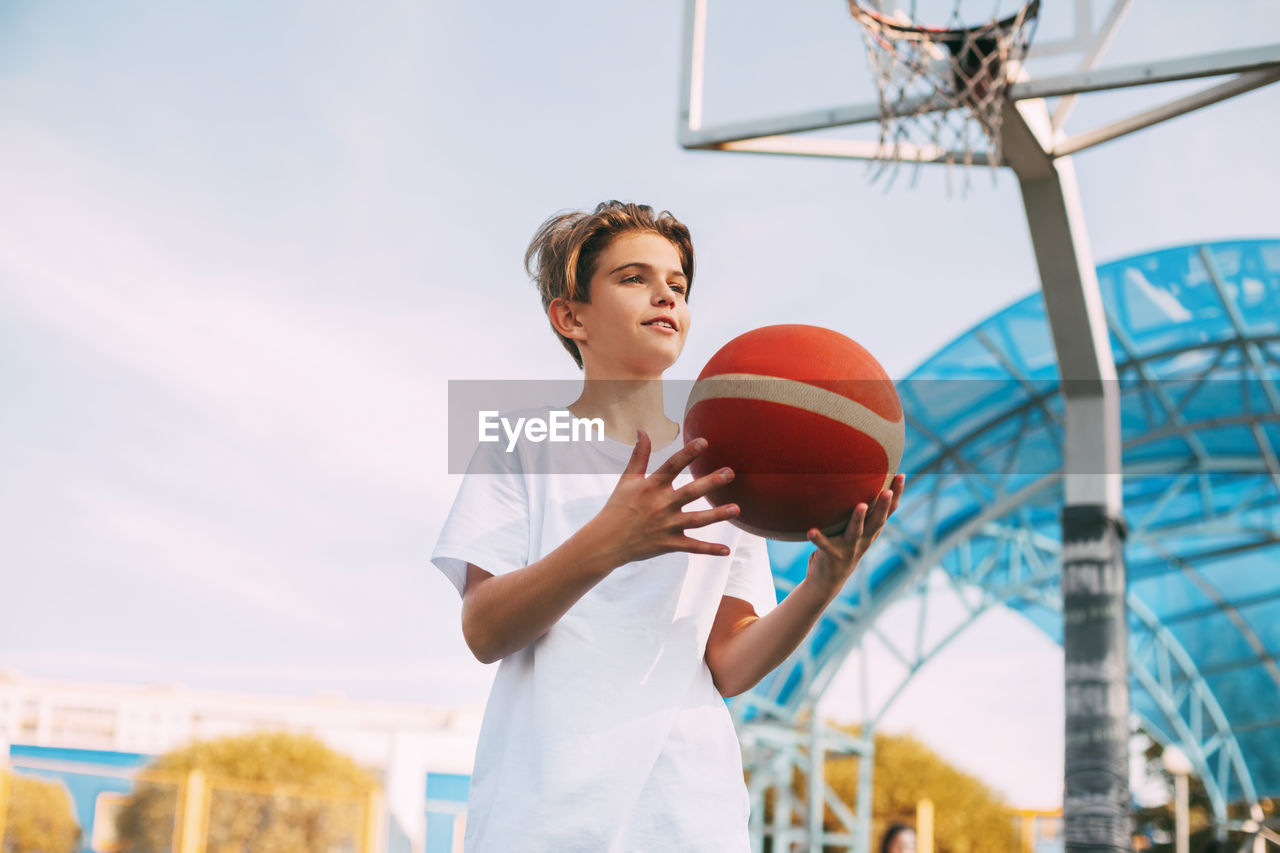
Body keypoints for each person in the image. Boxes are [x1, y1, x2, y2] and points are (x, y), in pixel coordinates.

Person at [432, 200, 905, 851]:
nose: (665, 294)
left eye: (678, 283)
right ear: (571, 317)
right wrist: (608, 543)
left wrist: (820, 585)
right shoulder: (520, 447)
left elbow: (730, 663)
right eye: (633, 278)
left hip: (688, 817)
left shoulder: (724, 463)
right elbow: (485, 629)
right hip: (545, 818)